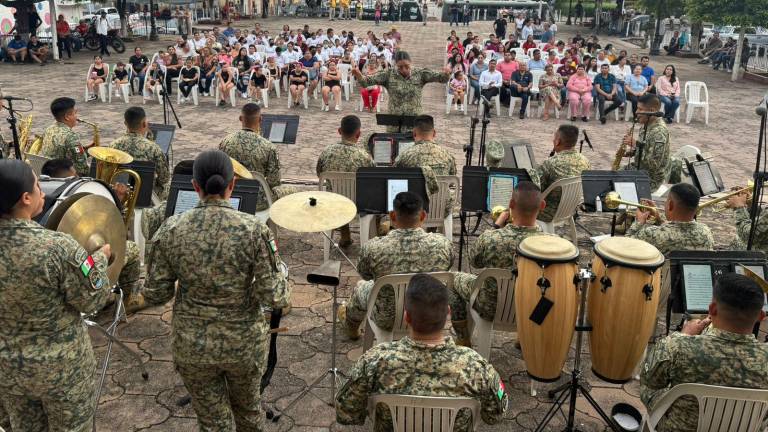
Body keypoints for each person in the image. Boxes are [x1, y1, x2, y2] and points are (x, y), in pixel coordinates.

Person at [141, 150, 289, 432]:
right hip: (243, 345)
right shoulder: (255, 230)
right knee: (248, 413)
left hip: (192, 345)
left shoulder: (171, 228)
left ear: (195, 187)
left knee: (212, 422)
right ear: (232, 185)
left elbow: (156, 293)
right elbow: (275, 296)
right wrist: (281, 278)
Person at [0, 159, 112, 432]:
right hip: (63, 373)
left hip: (8, 373)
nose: (43, 192)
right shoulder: (56, 247)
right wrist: (99, 260)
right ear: (26, 198)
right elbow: (93, 299)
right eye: (38, 186)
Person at [337, 273, 508, 431]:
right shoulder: (476, 366)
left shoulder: (374, 361)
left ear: (406, 317)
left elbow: (345, 413)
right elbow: (497, 414)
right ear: (448, 314)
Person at [640, 273, 768, 432]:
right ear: (761, 316)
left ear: (712, 309)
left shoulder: (677, 346)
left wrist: (683, 335)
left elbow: (648, 383)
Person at [338, 192, 454, 338]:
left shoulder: (373, 248)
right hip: (429, 316)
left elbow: (366, 274)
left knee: (362, 286)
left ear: (392, 216)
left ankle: (351, 329)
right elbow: (449, 264)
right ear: (423, 216)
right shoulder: (443, 245)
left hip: (387, 318)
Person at [450, 182, 551, 343]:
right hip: (531, 309)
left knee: (452, 279)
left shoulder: (491, 238)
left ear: (511, 205)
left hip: (490, 308)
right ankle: (523, 337)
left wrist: (497, 226)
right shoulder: (553, 244)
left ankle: (463, 339)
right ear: (542, 205)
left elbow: (474, 262)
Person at [218, 103, 296, 208]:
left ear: (241, 118)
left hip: (232, 195)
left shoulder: (225, 142)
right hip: (258, 200)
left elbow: (220, 172)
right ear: (260, 119)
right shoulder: (268, 146)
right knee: (293, 191)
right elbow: (274, 182)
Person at [352, 50, 450, 131]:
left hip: (414, 122)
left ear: (411, 63)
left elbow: (441, 78)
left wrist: (446, 73)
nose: (404, 69)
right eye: (400, 67)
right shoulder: (388, 74)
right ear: (395, 65)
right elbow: (367, 82)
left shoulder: (421, 73)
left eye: (407, 66)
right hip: (394, 123)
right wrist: (359, 75)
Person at [316, 115, 375, 247]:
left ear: (339, 131)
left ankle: (345, 235)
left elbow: (320, 174)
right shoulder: (365, 157)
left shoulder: (326, 152)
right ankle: (372, 237)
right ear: (358, 134)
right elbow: (373, 181)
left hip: (333, 202)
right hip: (359, 204)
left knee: (338, 192)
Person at [626, 183, 713, 255]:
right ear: (696, 208)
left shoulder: (652, 234)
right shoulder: (706, 232)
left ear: (670, 205)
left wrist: (639, 222)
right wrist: (659, 220)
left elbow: (625, 246)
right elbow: (676, 229)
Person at [109, 107, 170, 200]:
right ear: (144, 124)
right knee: (168, 185)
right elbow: (164, 178)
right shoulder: (153, 148)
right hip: (146, 194)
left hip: (120, 192)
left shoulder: (113, 146)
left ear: (125, 123)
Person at [394, 115, 457, 203]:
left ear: (414, 133)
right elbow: (451, 182)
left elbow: (393, 180)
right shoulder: (448, 155)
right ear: (434, 133)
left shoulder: (405, 156)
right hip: (441, 209)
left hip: (412, 210)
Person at [535, 125, 591, 223]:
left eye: (554, 138)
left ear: (558, 141)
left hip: (547, 213)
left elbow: (536, 189)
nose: (553, 141)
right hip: (570, 210)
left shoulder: (550, 163)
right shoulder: (585, 161)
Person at [621, 94, 672, 191]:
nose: (636, 112)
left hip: (651, 178)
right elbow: (646, 149)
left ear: (652, 111)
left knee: (616, 182)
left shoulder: (659, 132)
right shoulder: (647, 124)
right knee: (612, 174)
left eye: (640, 109)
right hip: (639, 169)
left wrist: (636, 145)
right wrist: (633, 152)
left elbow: (652, 165)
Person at [39, 98, 91, 176]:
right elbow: (83, 168)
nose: (76, 117)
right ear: (67, 117)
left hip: (48, 172)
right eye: (74, 113)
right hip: (64, 177)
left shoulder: (49, 129)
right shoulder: (71, 136)